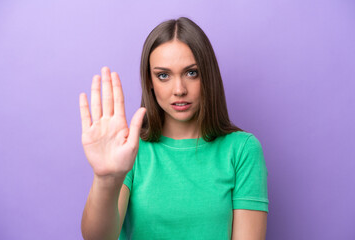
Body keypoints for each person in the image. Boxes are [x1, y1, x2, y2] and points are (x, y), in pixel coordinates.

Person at [79, 17, 269, 240]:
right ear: (149, 82)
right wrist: (106, 179)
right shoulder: (130, 149)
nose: (179, 89)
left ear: (207, 75)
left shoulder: (242, 150)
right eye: (163, 75)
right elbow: (98, 237)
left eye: (191, 73)